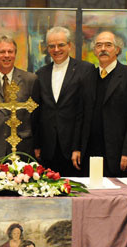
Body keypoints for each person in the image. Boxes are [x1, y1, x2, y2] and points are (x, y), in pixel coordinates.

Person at [72, 31, 127, 177]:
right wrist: (76, 148)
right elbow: (80, 116)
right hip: (89, 153)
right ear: (94, 51)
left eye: (108, 45)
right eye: (98, 45)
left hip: (118, 154)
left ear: (117, 49)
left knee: (118, 197)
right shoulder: (87, 77)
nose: (103, 49)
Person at [33, 27, 94, 177]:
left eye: (60, 45)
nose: (56, 49)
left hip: (73, 150)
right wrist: (37, 145)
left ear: (69, 46)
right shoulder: (41, 73)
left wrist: (78, 147)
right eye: (52, 46)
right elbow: (38, 112)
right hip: (48, 149)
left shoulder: (85, 70)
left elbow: (85, 112)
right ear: (47, 48)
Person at [0, 36, 37, 170]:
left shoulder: (30, 80)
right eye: (2, 52)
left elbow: (36, 117)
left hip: (23, 149)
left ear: (15, 54)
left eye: (10, 51)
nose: (7, 55)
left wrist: (37, 146)